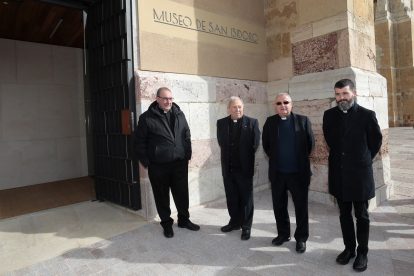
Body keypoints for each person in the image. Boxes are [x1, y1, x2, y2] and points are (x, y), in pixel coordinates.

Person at [323, 79, 382, 272]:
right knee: (344, 214)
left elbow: (375, 142)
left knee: (362, 216)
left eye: (345, 94)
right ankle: (349, 249)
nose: (341, 98)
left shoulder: (366, 115)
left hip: (359, 174)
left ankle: (362, 252)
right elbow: (330, 140)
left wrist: (361, 159)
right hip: (339, 173)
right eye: (338, 94)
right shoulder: (329, 115)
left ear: (353, 93)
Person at [135, 87, 200, 238]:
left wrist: (186, 155)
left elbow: (186, 135)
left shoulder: (179, 114)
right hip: (158, 166)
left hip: (179, 164)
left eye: (170, 98)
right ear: (157, 99)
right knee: (162, 196)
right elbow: (139, 142)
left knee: (182, 194)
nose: (168, 101)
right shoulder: (146, 118)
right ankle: (167, 224)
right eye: (164, 98)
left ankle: (184, 220)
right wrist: (147, 162)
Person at [262, 93, 315, 253]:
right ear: (275, 106)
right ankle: (283, 234)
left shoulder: (303, 120)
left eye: (286, 102)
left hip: (298, 174)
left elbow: (310, 144)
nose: (282, 105)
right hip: (278, 174)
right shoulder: (270, 122)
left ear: (291, 104)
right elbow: (266, 145)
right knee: (279, 206)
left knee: (301, 208)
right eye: (279, 103)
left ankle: (301, 238)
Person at [217, 96, 260, 240]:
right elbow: (221, 143)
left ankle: (246, 227)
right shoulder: (221, 123)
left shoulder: (252, 123)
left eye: (240, 107)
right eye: (234, 107)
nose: (237, 110)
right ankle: (234, 222)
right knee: (232, 197)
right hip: (228, 169)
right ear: (228, 108)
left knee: (247, 200)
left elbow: (254, 145)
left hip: (244, 169)